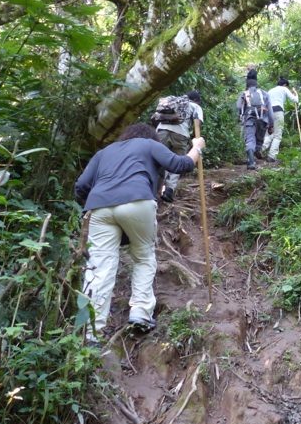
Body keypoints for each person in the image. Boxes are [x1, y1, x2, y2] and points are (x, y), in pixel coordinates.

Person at [75, 124, 205, 343]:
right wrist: (197, 148)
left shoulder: (104, 152)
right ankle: (140, 314)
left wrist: (96, 203)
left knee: (99, 267)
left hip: (98, 207)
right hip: (137, 201)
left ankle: (91, 333)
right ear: (150, 137)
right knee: (143, 257)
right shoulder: (149, 145)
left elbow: (81, 186)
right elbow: (180, 164)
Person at [155, 90, 203, 202]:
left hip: (161, 131)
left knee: (159, 161)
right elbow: (197, 124)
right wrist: (197, 141)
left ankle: (154, 191)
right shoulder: (196, 106)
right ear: (196, 100)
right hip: (181, 134)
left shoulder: (173, 101)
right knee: (177, 161)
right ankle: (169, 191)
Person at [236, 74, 274, 170]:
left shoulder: (244, 93)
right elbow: (270, 110)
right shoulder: (265, 93)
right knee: (259, 140)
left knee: (250, 139)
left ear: (247, 85)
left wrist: (240, 116)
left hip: (250, 119)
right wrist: (271, 125)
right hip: (263, 120)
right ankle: (256, 153)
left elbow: (239, 107)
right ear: (256, 85)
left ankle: (251, 161)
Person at [262, 77, 299, 163]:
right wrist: (295, 93)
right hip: (278, 111)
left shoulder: (270, 90)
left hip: (269, 112)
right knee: (278, 135)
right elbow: (295, 100)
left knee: (269, 133)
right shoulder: (284, 89)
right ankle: (272, 156)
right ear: (285, 84)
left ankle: (260, 149)